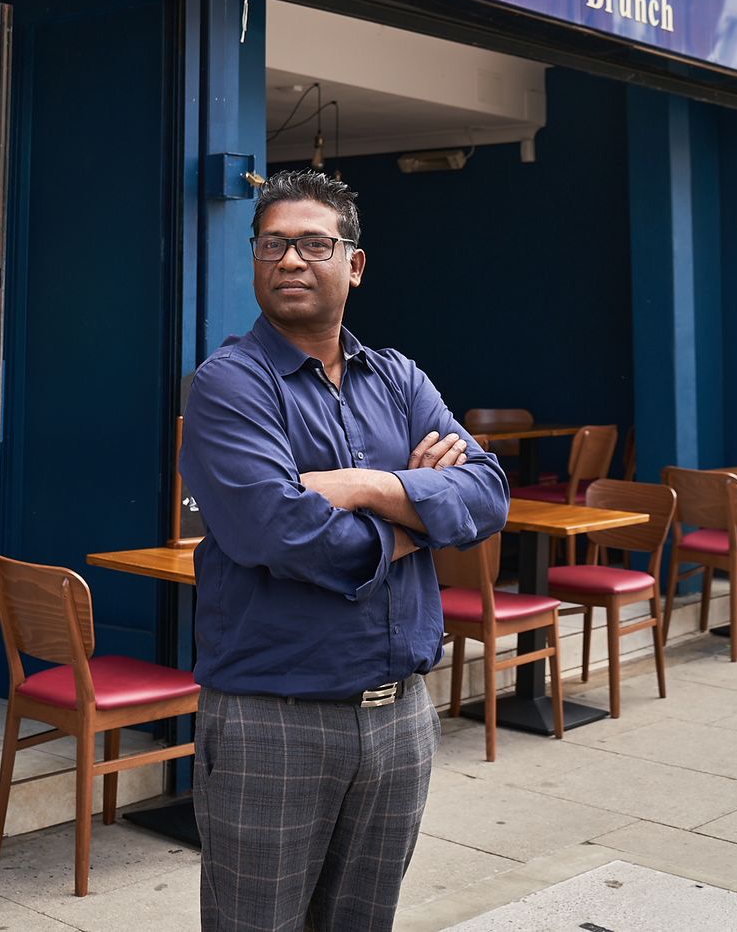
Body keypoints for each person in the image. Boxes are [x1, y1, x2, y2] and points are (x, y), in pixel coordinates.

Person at [180, 169, 510, 932]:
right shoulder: (230, 385)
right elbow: (278, 530)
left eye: (314, 244)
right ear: (255, 260)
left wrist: (362, 485)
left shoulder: (397, 378)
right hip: (274, 718)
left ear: (353, 264)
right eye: (273, 245)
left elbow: (487, 493)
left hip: (401, 718)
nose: (291, 260)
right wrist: (419, 515)